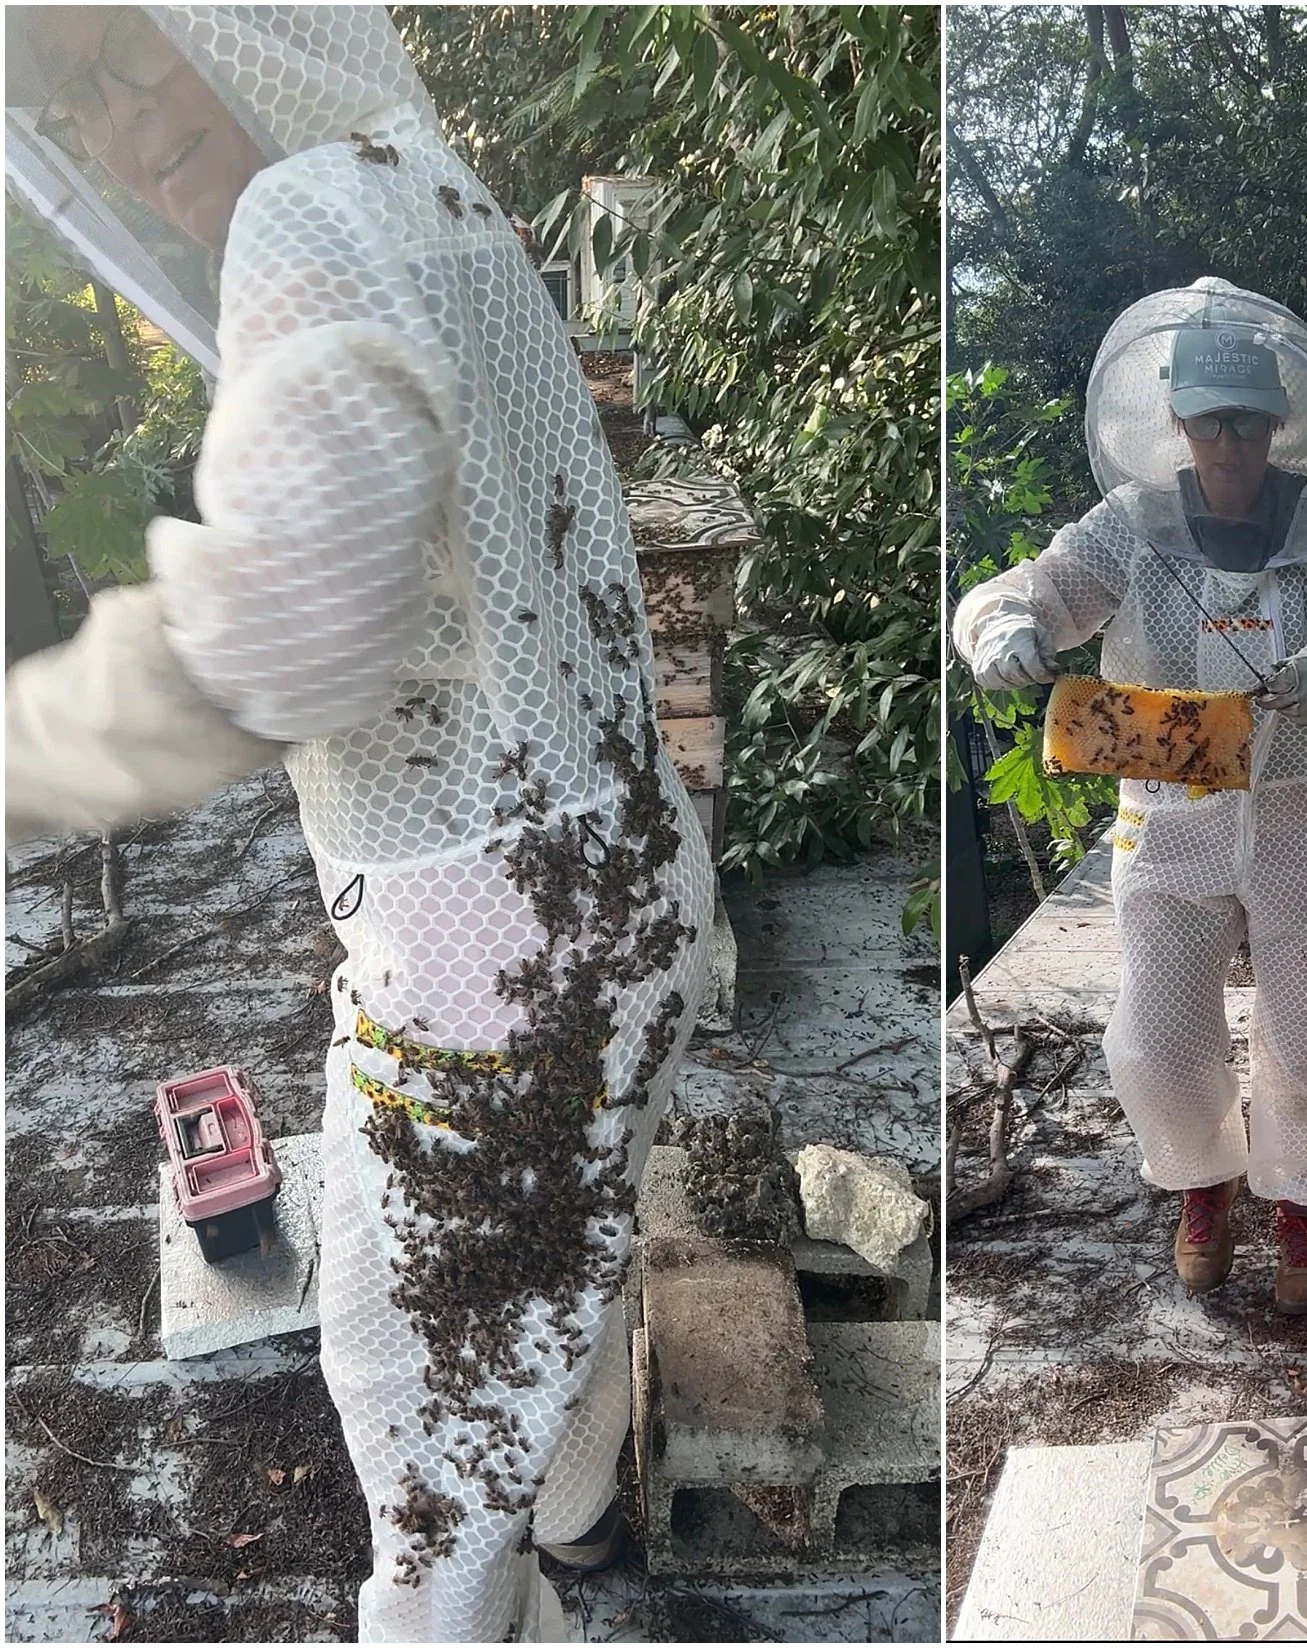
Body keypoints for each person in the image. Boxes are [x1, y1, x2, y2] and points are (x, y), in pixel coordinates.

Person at [4, 9, 711, 1639]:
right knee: (569, 1268)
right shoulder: (437, 191)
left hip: (485, 958)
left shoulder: (300, 209)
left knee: (419, 1423)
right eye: (79, 101)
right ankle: (589, 1528)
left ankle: (521, 1575)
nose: (122, 126)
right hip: (625, 880)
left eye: (131, 58)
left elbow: (288, 622)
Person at [953, 278, 1307, 1312]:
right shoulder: (1132, 527)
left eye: (1247, 425)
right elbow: (1036, 588)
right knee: (1161, 1023)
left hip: (1303, 810)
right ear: (1175, 424)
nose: (1229, 447)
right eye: (1209, 425)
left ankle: (1300, 1202)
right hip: (1168, 808)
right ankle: (1200, 1187)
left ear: (1277, 424)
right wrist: (1002, 630)